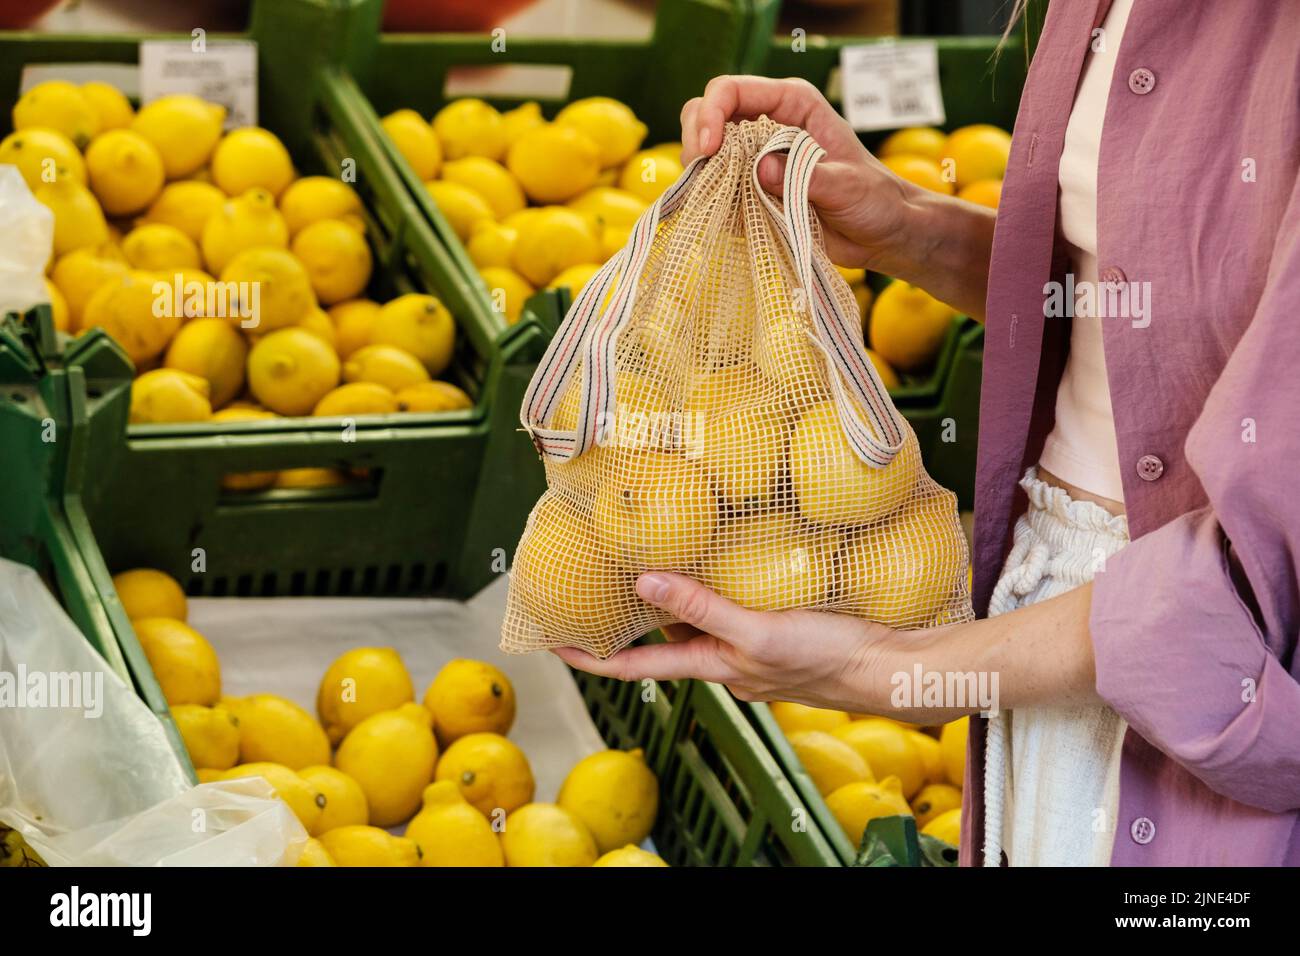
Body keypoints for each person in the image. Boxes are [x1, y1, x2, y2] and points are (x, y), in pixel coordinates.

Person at [556, 0, 1300, 866]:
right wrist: (908, 226)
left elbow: (1258, 580)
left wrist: (888, 667)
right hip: (1041, 654)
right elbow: (1149, 307)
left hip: (1192, 738)